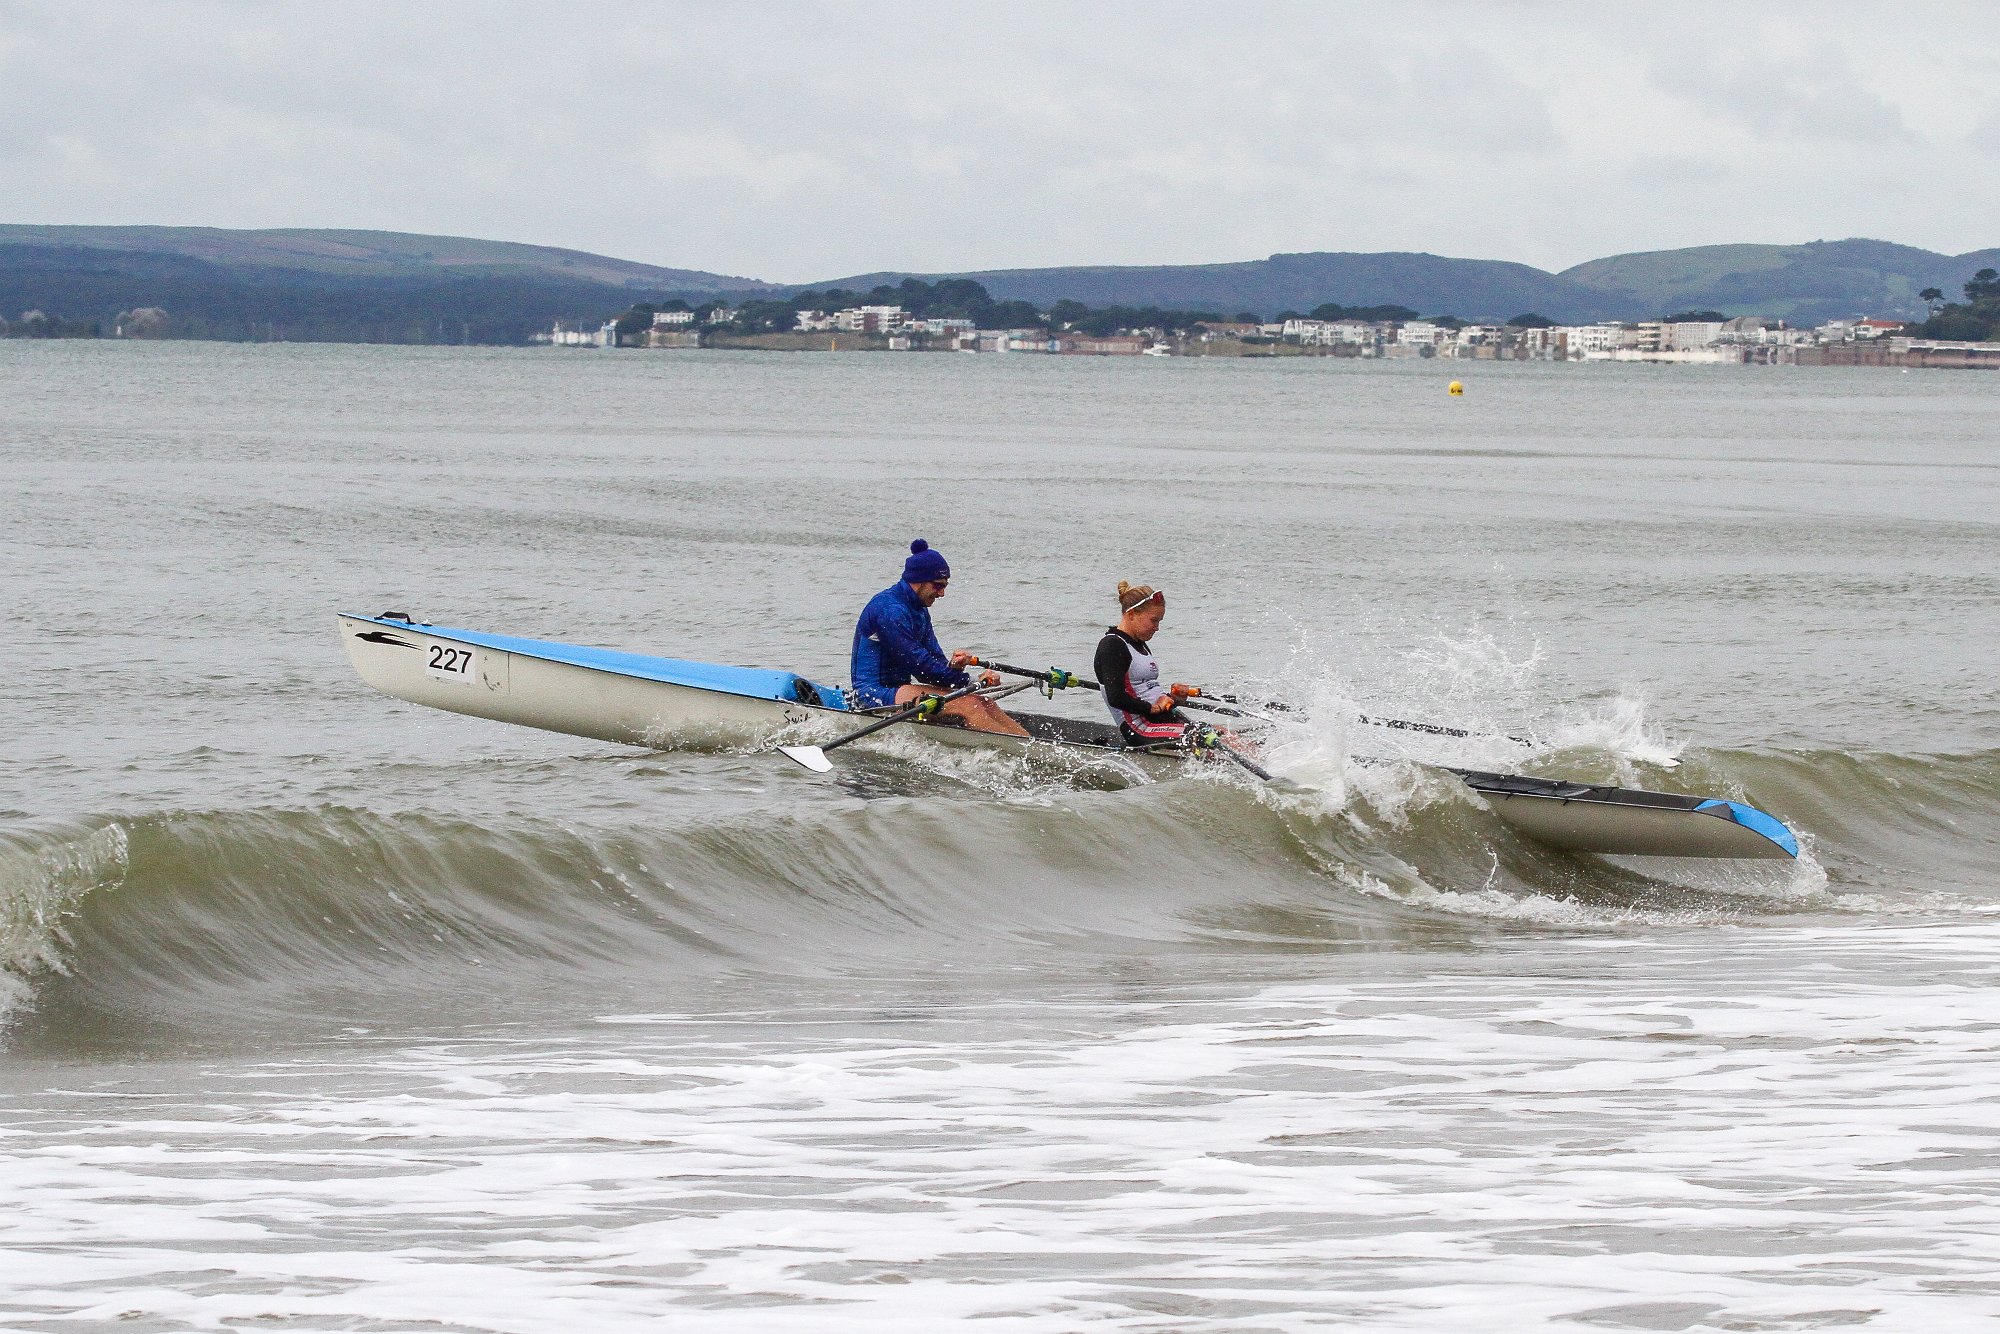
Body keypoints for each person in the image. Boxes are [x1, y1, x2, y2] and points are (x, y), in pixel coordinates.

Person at [850, 539, 1029, 736]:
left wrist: (954, 666)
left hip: (901, 689)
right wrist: (972, 680)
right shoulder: (889, 610)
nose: (942, 593)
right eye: (937, 586)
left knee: (984, 701)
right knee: (971, 706)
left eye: (945, 586)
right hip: (872, 695)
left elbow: (934, 661)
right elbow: (921, 668)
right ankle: (1020, 753)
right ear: (918, 580)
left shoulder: (918, 610)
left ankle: (1031, 745)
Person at [1094, 581, 1201, 747]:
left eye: (1159, 621)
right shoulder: (1113, 646)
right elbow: (1116, 697)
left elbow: (1144, 690)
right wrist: (1150, 709)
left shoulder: (1139, 643)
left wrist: (1173, 698)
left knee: (1219, 733)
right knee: (1199, 738)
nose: (1157, 628)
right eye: (1153, 621)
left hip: (1158, 719)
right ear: (1131, 615)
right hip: (1140, 728)